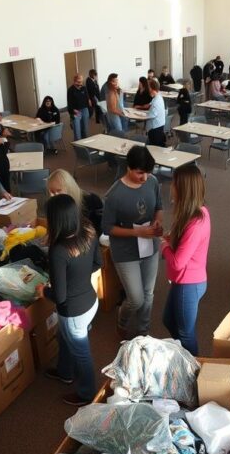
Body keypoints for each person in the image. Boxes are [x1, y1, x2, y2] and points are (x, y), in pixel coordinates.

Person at [38, 194, 102, 407]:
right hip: (90, 301)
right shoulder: (89, 231)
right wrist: (77, 279)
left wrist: (43, 291)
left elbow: (60, 296)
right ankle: (65, 372)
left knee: (81, 352)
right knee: (63, 336)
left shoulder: (59, 251)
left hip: (73, 311)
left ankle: (86, 394)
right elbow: (96, 263)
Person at [103, 146, 163, 339]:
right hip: (125, 251)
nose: (144, 177)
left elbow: (159, 207)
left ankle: (144, 331)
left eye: (147, 172)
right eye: (139, 173)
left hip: (150, 247)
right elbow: (107, 228)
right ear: (128, 168)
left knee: (148, 294)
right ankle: (122, 320)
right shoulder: (114, 194)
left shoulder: (152, 182)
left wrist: (157, 221)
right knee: (136, 299)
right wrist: (137, 232)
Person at [160, 165, 210, 355]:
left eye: (174, 183)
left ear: (182, 188)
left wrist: (163, 245)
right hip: (184, 280)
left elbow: (177, 262)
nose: (171, 186)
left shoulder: (196, 221)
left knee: (185, 333)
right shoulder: (193, 212)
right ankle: (182, 354)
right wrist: (169, 237)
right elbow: (184, 243)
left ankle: (193, 368)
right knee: (168, 320)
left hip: (188, 282)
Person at [44, 169, 104, 236]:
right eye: (52, 192)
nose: (53, 196)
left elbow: (99, 229)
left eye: (58, 191)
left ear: (69, 188)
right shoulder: (53, 203)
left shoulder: (92, 201)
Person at [66, 74, 90, 141]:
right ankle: (78, 147)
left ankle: (86, 145)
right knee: (77, 132)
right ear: (74, 81)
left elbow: (88, 99)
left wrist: (89, 110)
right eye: (78, 82)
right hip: (75, 111)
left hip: (85, 110)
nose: (80, 84)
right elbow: (69, 103)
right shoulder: (70, 90)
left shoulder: (84, 88)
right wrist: (73, 111)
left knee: (85, 130)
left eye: (81, 82)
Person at [145, 78, 167, 146]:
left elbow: (152, 115)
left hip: (155, 128)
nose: (148, 89)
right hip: (159, 126)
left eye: (148, 87)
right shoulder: (158, 97)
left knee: (154, 148)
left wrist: (143, 115)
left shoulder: (156, 100)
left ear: (151, 88)